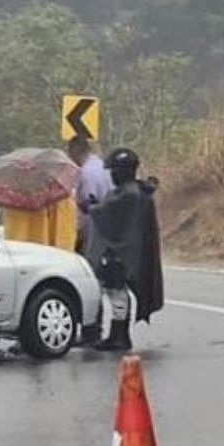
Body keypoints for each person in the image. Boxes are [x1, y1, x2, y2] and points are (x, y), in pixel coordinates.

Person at [81, 148, 164, 352]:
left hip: (122, 253)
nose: (112, 176)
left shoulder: (130, 195)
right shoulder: (136, 192)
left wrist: (90, 208)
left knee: (116, 291)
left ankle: (120, 335)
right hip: (127, 251)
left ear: (123, 172)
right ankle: (117, 334)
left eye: (114, 172)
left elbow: (109, 216)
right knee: (114, 291)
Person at [68, 136, 113, 247]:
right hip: (110, 226)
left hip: (93, 232)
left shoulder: (86, 173)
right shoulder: (101, 165)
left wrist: (78, 233)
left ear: (75, 151)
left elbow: (87, 206)